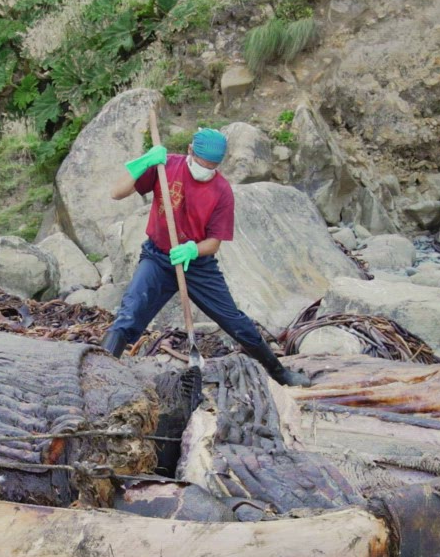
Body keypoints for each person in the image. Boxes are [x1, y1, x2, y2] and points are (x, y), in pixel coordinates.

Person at [99, 128, 307, 386]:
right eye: (201, 163)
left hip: (196, 264)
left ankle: (280, 373)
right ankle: (100, 375)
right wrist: (144, 162)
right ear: (189, 151)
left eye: (212, 166)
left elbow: (214, 242)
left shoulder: (221, 191)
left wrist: (193, 249)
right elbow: (116, 193)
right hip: (157, 257)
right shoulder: (166, 167)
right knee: (129, 314)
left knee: (235, 321)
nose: (205, 169)